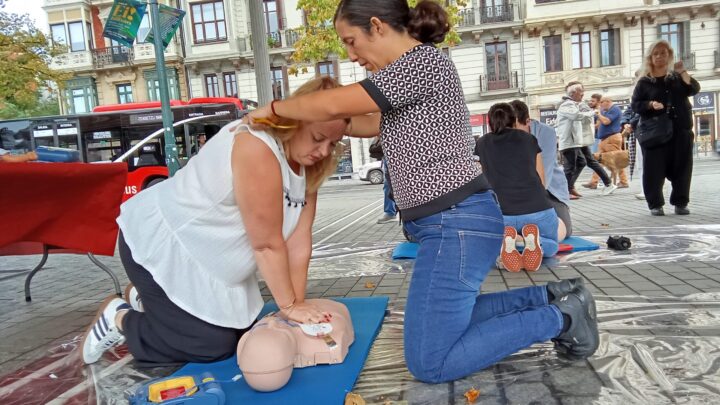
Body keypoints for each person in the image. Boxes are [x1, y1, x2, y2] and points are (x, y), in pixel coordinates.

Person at [247, 0, 598, 383]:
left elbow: (334, 102)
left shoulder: (419, 64)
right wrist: (315, 128)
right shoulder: (405, 81)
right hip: (453, 223)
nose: (350, 54)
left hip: (456, 222)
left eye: (351, 41)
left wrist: (272, 110)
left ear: (377, 27)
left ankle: (562, 318)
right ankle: (554, 296)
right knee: (442, 321)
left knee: (430, 362)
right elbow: (359, 123)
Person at [80, 77, 347, 366]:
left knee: (245, 338)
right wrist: (290, 306)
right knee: (210, 347)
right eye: (318, 139)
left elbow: (298, 243)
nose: (323, 152)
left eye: (332, 144)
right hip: (163, 247)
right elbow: (267, 245)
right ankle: (119, 318)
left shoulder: (309, 166)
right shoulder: (257, 147)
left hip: (210, 266)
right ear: (294, 121)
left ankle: (148, 300)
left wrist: (297, 310)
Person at [475, 103, 561, 272]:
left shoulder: (482, 143)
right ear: (514, 120)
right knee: (552, 246)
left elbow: (481, 181)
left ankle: (508, 242)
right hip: (538, 210)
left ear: (491, 123)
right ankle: (525, 241)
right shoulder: (529, 139)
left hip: (501, 214)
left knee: (485, 243)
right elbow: (542, 181)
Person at [631, 39, 700, 216]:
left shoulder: (676, 77)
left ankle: (680, 202)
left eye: (663, 53)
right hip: (655, 132)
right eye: (656, 53)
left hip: (680, 129)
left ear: (669, 55)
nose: (660, 56)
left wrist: (683, 71)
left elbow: (693, 89)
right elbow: (636, 105)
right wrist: (650, 105)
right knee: (653, 170)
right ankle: (655, 204)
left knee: (683, 168)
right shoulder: (644, 82)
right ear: (650, 57)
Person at [511, 100, 572, 239]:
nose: (512, 136)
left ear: (528, 122)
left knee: (563, 230)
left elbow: (544, 177)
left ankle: (526, 238)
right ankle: (525, 238)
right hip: (515, 193)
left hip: (548, 191)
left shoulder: (545, 133)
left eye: (516, 129)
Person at [556, 82, 617, 198]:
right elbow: (577, 116)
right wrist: (592, 112)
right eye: (581, 91)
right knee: (572, 165)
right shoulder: (567, 105)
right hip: (571, 140)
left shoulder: (577, 104)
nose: (583, 94)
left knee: (582, 162)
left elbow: (582, 119)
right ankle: (565, 190)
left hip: (577, 140)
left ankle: (568, 188)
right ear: (573, 93)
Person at [584, 96, 629, 188]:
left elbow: (606, 122)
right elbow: (598, 124)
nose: (600, 105)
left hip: (612, 138)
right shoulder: (604, 111)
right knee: (598, 160)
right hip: (604, 140)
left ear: (607, 102)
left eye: (601, 103)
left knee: (616, 160)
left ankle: (624, 181)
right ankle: (594, 182)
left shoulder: (614, 109)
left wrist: (599, 114)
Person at [369, 137, 398, 223]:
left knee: (389, 185)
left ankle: (390, 213)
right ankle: (391, 212)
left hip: (393, 153)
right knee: (389, 185)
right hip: (390, 153)